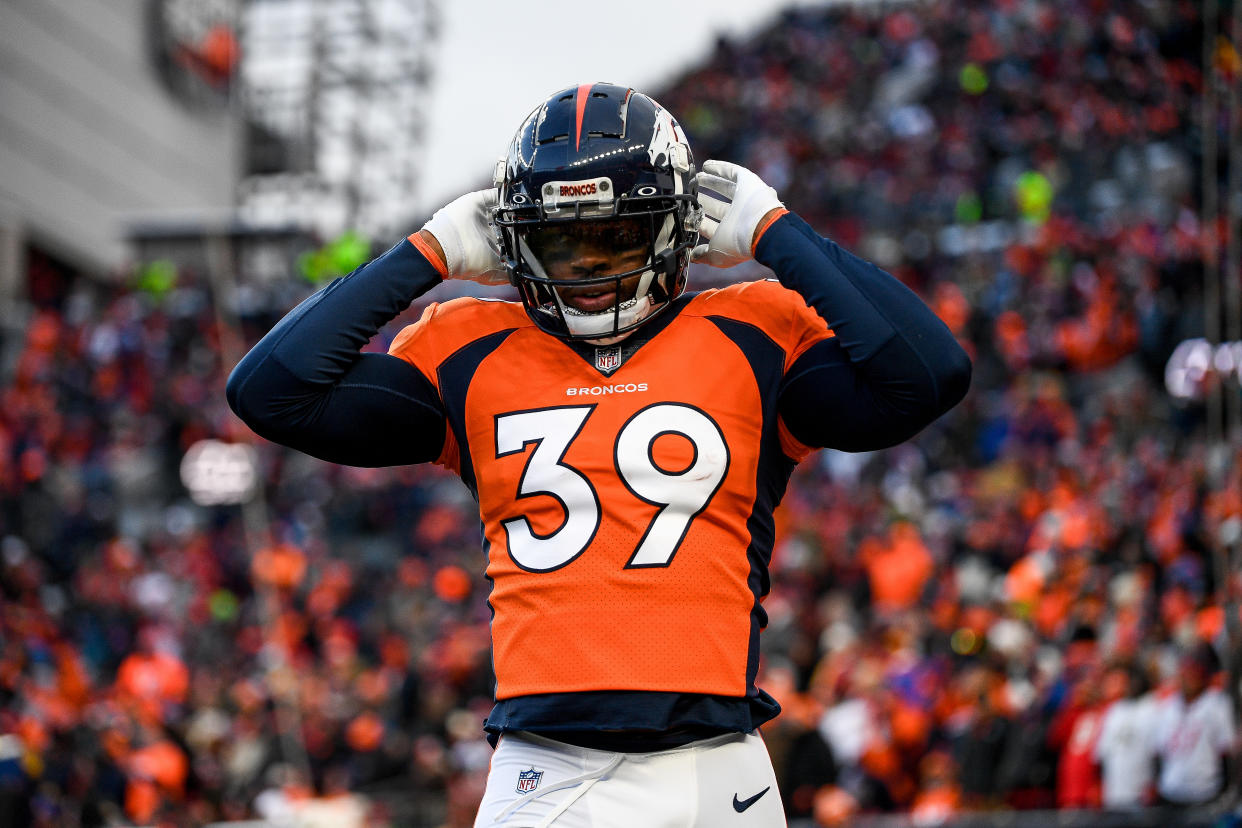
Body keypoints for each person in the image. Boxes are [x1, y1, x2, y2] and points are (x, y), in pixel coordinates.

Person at [227, 82, 971, 827]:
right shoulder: (467, 349)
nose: (588, 268)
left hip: (720, 763)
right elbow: (271, 392)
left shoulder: (755, 332)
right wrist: (428, 250)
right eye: (562, 242)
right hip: (550, 765)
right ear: (516, 239)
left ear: (679, 227)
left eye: (616, 236)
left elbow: (928, 375)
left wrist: (778, 233)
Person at [1152, 645, 1236, 807]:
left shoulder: (1216, 704)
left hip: (1205, 793)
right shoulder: (1167, 707)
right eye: (1185, 671)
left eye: (1194, 671)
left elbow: (1226, 751)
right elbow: (1159, 752)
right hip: (1171, 793)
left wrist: (1224, 790)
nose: (1189, 676)